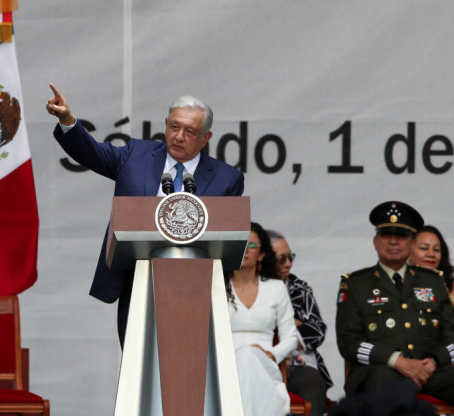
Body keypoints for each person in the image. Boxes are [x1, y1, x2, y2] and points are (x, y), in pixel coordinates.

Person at [46, 84, 244, 346]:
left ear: (206, 138)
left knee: (185, 370)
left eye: (189, 131)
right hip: (137, 280)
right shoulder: (136, 155)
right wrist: (67, 121)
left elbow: (224, 238)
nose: (179, 136)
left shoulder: (226, 179)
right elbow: (92, 153)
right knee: (137, 366)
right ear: (165, 125)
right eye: (174, 127)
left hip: (193, 289)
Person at [335, 201, 454, 415]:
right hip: (381, 373)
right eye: (386, 235)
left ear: (411, 244)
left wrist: (432, 363)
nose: (393, 241)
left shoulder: (433, 282)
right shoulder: (355, 284)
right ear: (375, 241)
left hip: (429, 372)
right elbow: (349, 343)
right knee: (382, 375)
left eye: (401, 236)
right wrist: (396, 361)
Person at [225, 222, 298, 416]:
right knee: (245, 357)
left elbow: (291, 338)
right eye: (240, 244)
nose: (245, 250)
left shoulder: (276, 288)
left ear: (262, 254)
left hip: (266, 364)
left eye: (251, 246)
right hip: (226, 366)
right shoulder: (217, 286)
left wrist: (272, 355)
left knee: (249, 356)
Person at [267, 229, 333, 415]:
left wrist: (280, 331)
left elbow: (317, 331)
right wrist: (292, 325)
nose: (288, 264)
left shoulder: (299, 288)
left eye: (290, 257)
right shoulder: (249, 287)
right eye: (281, 259)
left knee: (313, 385)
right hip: (258, 362)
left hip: (298, 365)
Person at [408, 225, 454, 366]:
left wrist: (442, 361)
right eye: (423, 248)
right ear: (408, 251)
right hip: (405, 365)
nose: (431, 254)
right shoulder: (395, 286)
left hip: (446, 365)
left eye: (436, 250)